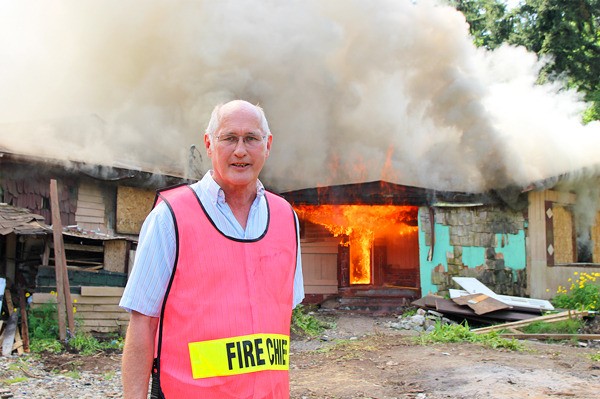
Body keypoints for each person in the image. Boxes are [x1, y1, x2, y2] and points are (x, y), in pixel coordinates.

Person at [119, 100, 304, 399]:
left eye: (251, 139)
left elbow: (282, 315)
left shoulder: (286, 218)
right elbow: (143, 322)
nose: (240, 150)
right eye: (229, 138)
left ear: (267, 145)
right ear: (209, 143)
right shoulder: (171, 217)